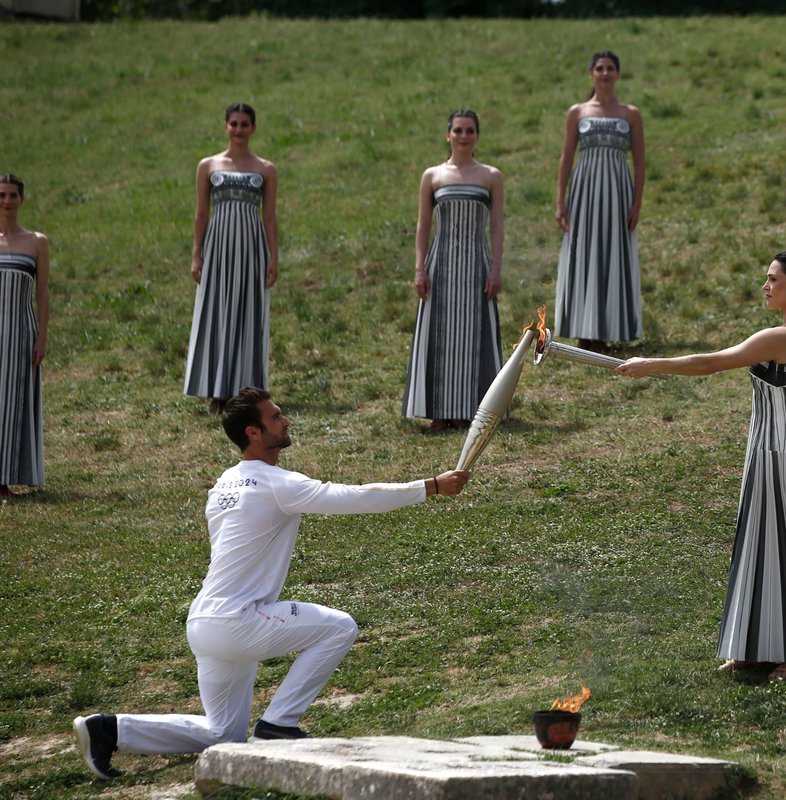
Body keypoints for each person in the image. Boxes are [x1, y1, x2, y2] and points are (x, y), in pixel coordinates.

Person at [73, 386, 470, 780]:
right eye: (276, 417)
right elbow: (352, 497)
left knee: (223, 733)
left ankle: (109, 729)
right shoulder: (277, 484)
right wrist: (430, 486)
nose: (286, 421)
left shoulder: (223, 486)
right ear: (254, 433)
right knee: (339, 627)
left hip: (204, 622)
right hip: (238, 621)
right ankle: (278, 724)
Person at [616, 252, 786, 682]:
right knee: (760, 548)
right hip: (774, 453)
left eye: (772, 279)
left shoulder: (779, 337)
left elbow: (710, 362)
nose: (765, 286)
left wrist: (650, 365)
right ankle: (754, 647)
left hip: (783, 457)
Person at [402, 110, 504, 432]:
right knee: (441, 336)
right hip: (441, 264)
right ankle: (438, 412)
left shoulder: (491, 175)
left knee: (473, 336)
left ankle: (467, 411)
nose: (463, 135)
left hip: (476, 264)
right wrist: (420, 268)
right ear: (448, 135)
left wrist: (496, 268)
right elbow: (423, 224)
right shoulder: (432, 176)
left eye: (469, 130)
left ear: (477, 136)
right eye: (458, 130)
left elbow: (498, 225)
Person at [184, 103, 278, 412]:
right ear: (226, 126)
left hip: (251, 247)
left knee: (247, 313)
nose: (239, 129)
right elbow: (201, 213)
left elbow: (269, 218)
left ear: (253, 128)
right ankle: (215, 391)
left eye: (245, 124)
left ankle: (242, 392)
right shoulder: (208, 165)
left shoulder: (265, 168)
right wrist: (197, 254)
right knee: (217, 311)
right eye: (234, 124)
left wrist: (273, 256)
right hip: (218, 247)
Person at [555, 51, 645, 351]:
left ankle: (607, 329)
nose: (605, 73)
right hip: (584, 193)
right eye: (599, 68)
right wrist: (560, 201)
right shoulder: (577, 112)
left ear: (617, 74)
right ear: (591, 73)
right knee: (583, 255)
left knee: (612, 255)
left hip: (619, 192)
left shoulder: (630, 113)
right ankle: (583, 330)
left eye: (610, 69)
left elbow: (641, 162)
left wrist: (636, 204)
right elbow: (567, 158)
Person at [0, 174, 48, 498]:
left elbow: (42, 293)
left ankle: (7, 476)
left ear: (21, 200)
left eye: (12, 195)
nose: (6, 201)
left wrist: (42, 337)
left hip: (20, 330)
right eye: (1, 195)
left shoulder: (37, 241)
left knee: (12, 400)